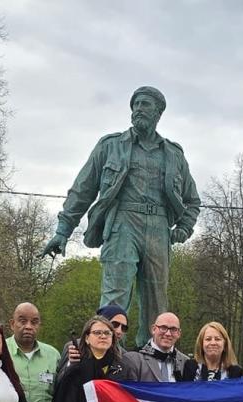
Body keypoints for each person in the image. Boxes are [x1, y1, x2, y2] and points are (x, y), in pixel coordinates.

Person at [40, 86, 201, 349]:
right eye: (135, 104)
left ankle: (153, 360)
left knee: (157, 302)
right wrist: (63, 230)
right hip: (122, 223)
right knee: (113, 300)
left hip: (159, 228)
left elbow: (193, 200)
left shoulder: (173, 154)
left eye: (145, 105)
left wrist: (183, 227)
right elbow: (83, 189)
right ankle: (107, 356)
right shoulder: (111, 146)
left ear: (158, 113)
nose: (138, 109)